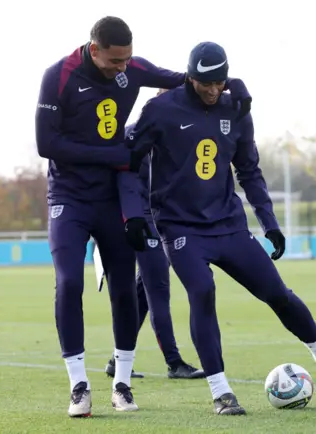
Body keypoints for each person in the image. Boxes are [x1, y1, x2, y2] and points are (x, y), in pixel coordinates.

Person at [35, 17, 250, 417]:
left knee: (123, 288)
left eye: (128, 60)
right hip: (69, 195)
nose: (124, 69)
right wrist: (116, 155)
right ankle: (78, 385)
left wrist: (231, 85)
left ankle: (122, 384)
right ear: (94, 49)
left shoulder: (130, 67)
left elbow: (184, 80)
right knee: (68, 282)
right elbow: (46, 143)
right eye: (116, 61)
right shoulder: (59, 76)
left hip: (114, 196)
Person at [125, 41, 316, 416]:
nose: (213, 91)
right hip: (180, 228)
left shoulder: (237, 108)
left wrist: (269, 222)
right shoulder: (160, 110)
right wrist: (134, 215)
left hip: (228, 225)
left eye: (220, 83)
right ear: (190, 78)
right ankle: (221, 391)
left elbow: (249, 170)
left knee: (277, 293)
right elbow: (129, 164)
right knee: (203, 291)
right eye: (205, 84)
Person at [105, 104, 205, 380]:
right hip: (143, 221)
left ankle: (117, 359)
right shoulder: (138, 135)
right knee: (158, 290)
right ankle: (174, 363)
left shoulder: (171, 135)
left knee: (143, 292)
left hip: (153, 220)